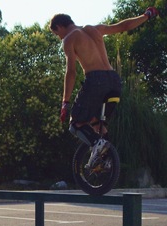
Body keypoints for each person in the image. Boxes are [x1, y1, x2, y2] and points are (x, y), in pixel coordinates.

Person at [50, 7, 159, 167]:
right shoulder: (95, 29)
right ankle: (108, 160)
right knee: (97, 123)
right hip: (114, 81)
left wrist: (65, 102)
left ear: (59, 27)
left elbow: (71, 72)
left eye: (56, 34)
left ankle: (98, 145)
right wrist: (146, 16)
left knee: (75, 124)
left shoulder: (69, 39)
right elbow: (123, 26)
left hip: (96, 80)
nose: (59, 38)